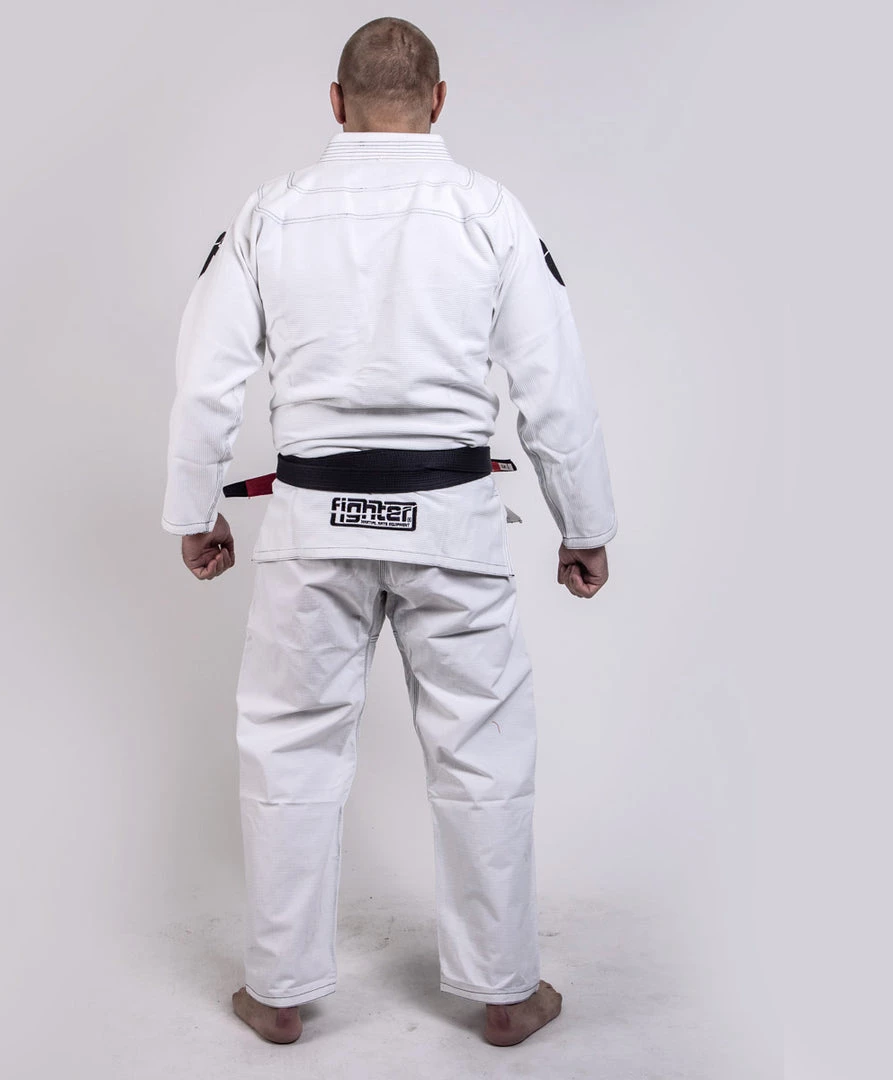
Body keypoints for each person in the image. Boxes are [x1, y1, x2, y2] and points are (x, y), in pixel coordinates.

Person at [161, 16, 617, 1048]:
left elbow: (206, 380)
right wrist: (581, 524)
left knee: (289, 747)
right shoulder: (489, 212)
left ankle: (278, 992)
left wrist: (194, 511)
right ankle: (506, 992)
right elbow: (555, 387)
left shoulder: (273, 212)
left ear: (335, 102)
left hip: (312, 524)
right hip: (452, 524)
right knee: (483, 752)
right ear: (439, 100)